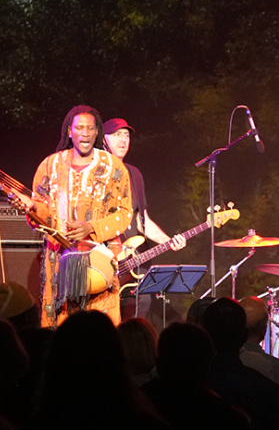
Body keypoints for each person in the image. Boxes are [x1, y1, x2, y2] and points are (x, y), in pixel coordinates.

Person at [25, 105, 134, 326]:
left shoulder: (114, 167)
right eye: (79, 128)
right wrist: (32, 207)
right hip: (60, 264)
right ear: (69, 131)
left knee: (100, 329)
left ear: (97, 132)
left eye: (90, 128)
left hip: (99, 264)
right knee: (62, 329)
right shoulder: (50, 166)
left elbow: (124, 213)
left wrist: (92, 228)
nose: (85, 133)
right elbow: (42, 213)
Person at [99, 117, 172, 246]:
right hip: (101, 254)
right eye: (117, 134)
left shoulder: (134, 174)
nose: (123, 139)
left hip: (130, 255)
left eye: (126, 135)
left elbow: (142, 221)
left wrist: (168, 242)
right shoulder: (93, 173)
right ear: (103, 140)